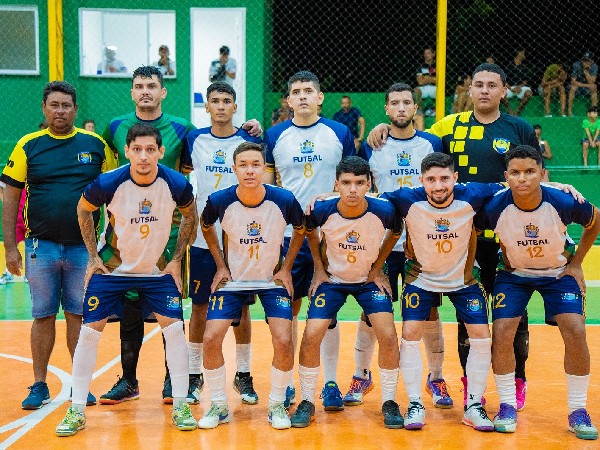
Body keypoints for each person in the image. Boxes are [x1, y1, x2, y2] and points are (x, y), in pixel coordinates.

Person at [367, 63, 542, 411]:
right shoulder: (450, 126)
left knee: (513, 314)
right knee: (469, 314)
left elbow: (538, 174)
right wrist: (383, 126)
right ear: (470, 89)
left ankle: (517, 379)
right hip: (463, 238)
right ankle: (469, 385)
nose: (485, 90)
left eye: (492, 85)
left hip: (508, 237)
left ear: (503, 91)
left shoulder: (519, 128)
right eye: (479, 84)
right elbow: (412, 135)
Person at [101, 65, 262, 406]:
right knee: (137, 306)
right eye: (139, 86)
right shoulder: (118, 127)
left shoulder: (185, 131)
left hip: (183, 233)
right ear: (132, 92)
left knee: (204, 306)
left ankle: (210, 376)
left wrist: (254, 127)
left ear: (163, 92)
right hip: (143, 232)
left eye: (152, 85)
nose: (145, 91)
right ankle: (160, 377)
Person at [55, 123, 198, 436]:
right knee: (89, 332)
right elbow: (83, 210)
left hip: (156, 270)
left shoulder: (176, 182)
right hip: (113, 267)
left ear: (161, 152)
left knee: (174, 330)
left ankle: (181, 404)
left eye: (150, 150)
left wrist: (176, 260)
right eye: (137, 150)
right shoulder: (108, 182)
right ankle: (76, 410)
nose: (144, 156)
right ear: (126, 152)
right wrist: (92, 256)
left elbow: (191, 215)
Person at [1, 81, 116, 410]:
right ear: (44, 108)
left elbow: (115, 192)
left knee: (78, 315)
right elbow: (10, 197)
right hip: (41, 247)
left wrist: (112, 246)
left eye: (66, 105)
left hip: (84, 249)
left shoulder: (95, 145)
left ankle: (80, 386)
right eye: (54, 105)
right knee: (43, 315)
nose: (60, 111)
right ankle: (39, 385)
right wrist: (11, 247)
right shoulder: (28, 145)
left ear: (75, 110)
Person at [478, 145, 600, 440]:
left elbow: (595, 220)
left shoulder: (562, 200)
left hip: (558, 272)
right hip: (514, 274)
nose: (522, 179)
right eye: (515, 173)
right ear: (506, 176)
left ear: (543, 174)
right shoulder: (494, 206)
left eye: (530, 172)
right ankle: (507, 405)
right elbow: (471, 230)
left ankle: (577, 409)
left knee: (575, 329)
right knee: (503, 330)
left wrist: (577, 263)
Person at [347, 82, 451, 410]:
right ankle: (361, 374)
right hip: (383, 244)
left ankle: (436, 377)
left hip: (424, 243)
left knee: (429, 310)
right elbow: (360, 189)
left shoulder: (432, 143)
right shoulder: (373, 145)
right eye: (395, 103)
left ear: (415, 108)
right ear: (387, 109)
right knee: (372, 308)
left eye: (407, 102)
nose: (401, 108)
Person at [380, 152, 502, 432]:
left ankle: (473, 406)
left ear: (455, 178)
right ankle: (415, 403)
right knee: (410, 333)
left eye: (445, 179)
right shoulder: (407, 198)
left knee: (482, 337)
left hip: (463, 279)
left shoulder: (472, 194)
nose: (438, 186)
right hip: (422, 278)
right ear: (421, 180)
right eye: (431, 179)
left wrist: (558, 186)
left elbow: (514, 186)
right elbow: (368, 199)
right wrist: (327, 197)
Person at [263, 70, 355, 410]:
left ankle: (329, 383)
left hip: (330, 236)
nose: (302, 96)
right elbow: (268, 188)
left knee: (326, 310)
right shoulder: (275, 135)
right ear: (288, 100)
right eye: (296, 91)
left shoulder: (339, 132)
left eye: (308, 91)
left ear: (320, 98)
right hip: (288, 236)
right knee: (287, 308)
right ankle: (287, 383)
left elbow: (352, 179)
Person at [197, 142, 305, 430]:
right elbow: (205, 225)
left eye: (255, 165)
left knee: (283, 339)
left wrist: (286, 267)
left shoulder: (283, 199)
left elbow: (301, 229)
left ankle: (277, 404)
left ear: (264, 168)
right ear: (234, 169)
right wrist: (220, 265)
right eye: (243, 165)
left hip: (271, 280)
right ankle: (218, 405)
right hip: (234, 280)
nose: (249, 171)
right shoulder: (219, 200)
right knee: (211, 337)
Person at [290, 156, 403, 429]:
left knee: (388, 334)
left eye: (360, 183)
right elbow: (309, 232)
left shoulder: (384, 210)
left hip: (368, 280)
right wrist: (319, 269)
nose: (353, 189)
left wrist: (378, 267)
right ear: (336, 185)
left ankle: (389, 401)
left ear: (369, 184)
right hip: (333, 280)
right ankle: (307, 400)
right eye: (346, 183)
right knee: (312, 333)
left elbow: (395, 231)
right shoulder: (322, 210)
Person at [182, 82, 262, 405]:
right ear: (207, 106)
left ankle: (243, 374)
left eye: (226, 101)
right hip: (203, 238)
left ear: (235, 107)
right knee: (199, 306)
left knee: (241, 307)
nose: (220, 106)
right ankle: (193, 375)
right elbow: (184, 178)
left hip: (242, 240)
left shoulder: (248, 140)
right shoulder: (194, 139)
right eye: (214, 101)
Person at [502, 49, 533, 116]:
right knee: (501, 94)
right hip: (510, 87)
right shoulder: (509, 65)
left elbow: (526, 80)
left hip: (522, 87)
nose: (524, 55)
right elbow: (504, 80)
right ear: (519, 54)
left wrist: (519, 86)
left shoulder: (525, 66)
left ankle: (517, 112)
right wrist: (511, 88)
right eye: (523, 53)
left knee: (529, 93)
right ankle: (510, 111)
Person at [568, 52, 598, 117]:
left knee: (594, 89)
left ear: (592, 61)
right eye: (584, 60)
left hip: (586, 88)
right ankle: (569, 112)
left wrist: (586, 71)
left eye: (587, 60)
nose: (585, 62)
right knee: (573, 87)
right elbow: (573, 81)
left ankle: (594, 112)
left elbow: (592, 82)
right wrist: (587, 85)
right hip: (577, 87)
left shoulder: (594, 66)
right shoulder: (576, 65)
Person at [414, 46, 437, 130]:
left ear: (433, 54)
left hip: (435, 87)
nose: (427, 55)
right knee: (416, 91)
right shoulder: (420, 66)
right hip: (423, 88)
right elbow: (420, 82)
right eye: (425, 53)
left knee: (440, 91)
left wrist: (426, 78)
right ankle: (420, 112)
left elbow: (440, 80)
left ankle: (435, 110)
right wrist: (433, 79)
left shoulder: (438, 65)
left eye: (429, 53)